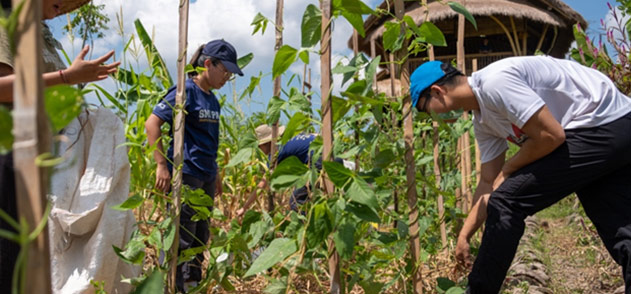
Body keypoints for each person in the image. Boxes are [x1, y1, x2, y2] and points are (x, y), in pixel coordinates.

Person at [409, 56, 631, 294]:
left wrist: (509, 169)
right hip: (615, 124)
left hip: (599, 123)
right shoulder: (483, 120)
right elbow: (487, 183)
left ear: (437, 91)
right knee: (622, 229)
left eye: (425, 110)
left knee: (507, 201)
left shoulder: (495, 83)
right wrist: (465, 235)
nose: (430, 118)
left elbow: (550, 136)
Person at [0, 0, 120, 289]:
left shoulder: (39, 33)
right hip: (10, 152)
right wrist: (68, 76)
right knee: (9, 256)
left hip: (41, 157)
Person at [145, 39, 243, 292]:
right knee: (181, 237)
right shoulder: (184, 91)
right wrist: (161, 165)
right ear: (208, 63)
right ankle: (173, 287)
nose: (227, 78)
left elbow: (211, 140)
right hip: (186, 173)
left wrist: (216, 173)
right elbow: (152, 124)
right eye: (226, 71)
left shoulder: (213, 101)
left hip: (206, 174)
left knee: (201, 234)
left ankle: (193, 284)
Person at [236, 125, 345, 217]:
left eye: (260, 147)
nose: (260, 150)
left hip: (320, 158)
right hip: (334, 152)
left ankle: (309, 233)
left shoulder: (276, 150)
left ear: (266, 143)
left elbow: (263, 184)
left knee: (296, 202)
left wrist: (244, 208)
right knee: (330, 197)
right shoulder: (291, 136)